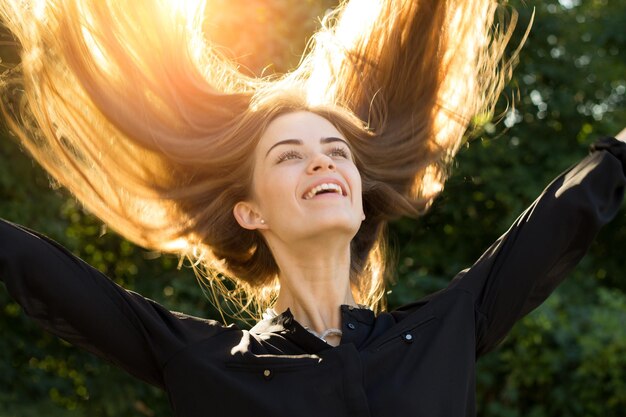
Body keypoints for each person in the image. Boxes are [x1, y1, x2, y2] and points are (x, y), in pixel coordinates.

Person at [0, 1, 624, 416]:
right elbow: (38, 269)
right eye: (289, 156)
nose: (323, 163)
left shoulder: (447, 330)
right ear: (251, 212)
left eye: (336, 151)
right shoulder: (206, 363)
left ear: (357, 188)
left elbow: (567, 212)